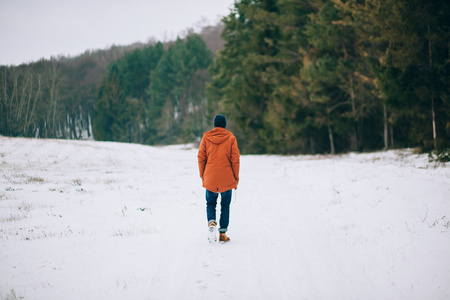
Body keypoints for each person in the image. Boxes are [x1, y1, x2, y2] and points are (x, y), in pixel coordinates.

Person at [197, 114, 240, 242]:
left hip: (210, 176)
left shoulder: (206, 137)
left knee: (210, 203)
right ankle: (222, 234)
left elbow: (201, 157)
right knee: (225, 205)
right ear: (225, 125)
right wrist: (235, 178)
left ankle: (211, 222)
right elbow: (235, 160)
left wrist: (202, 175)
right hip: (226, 177)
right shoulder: (231, 138)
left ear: (214, 124)